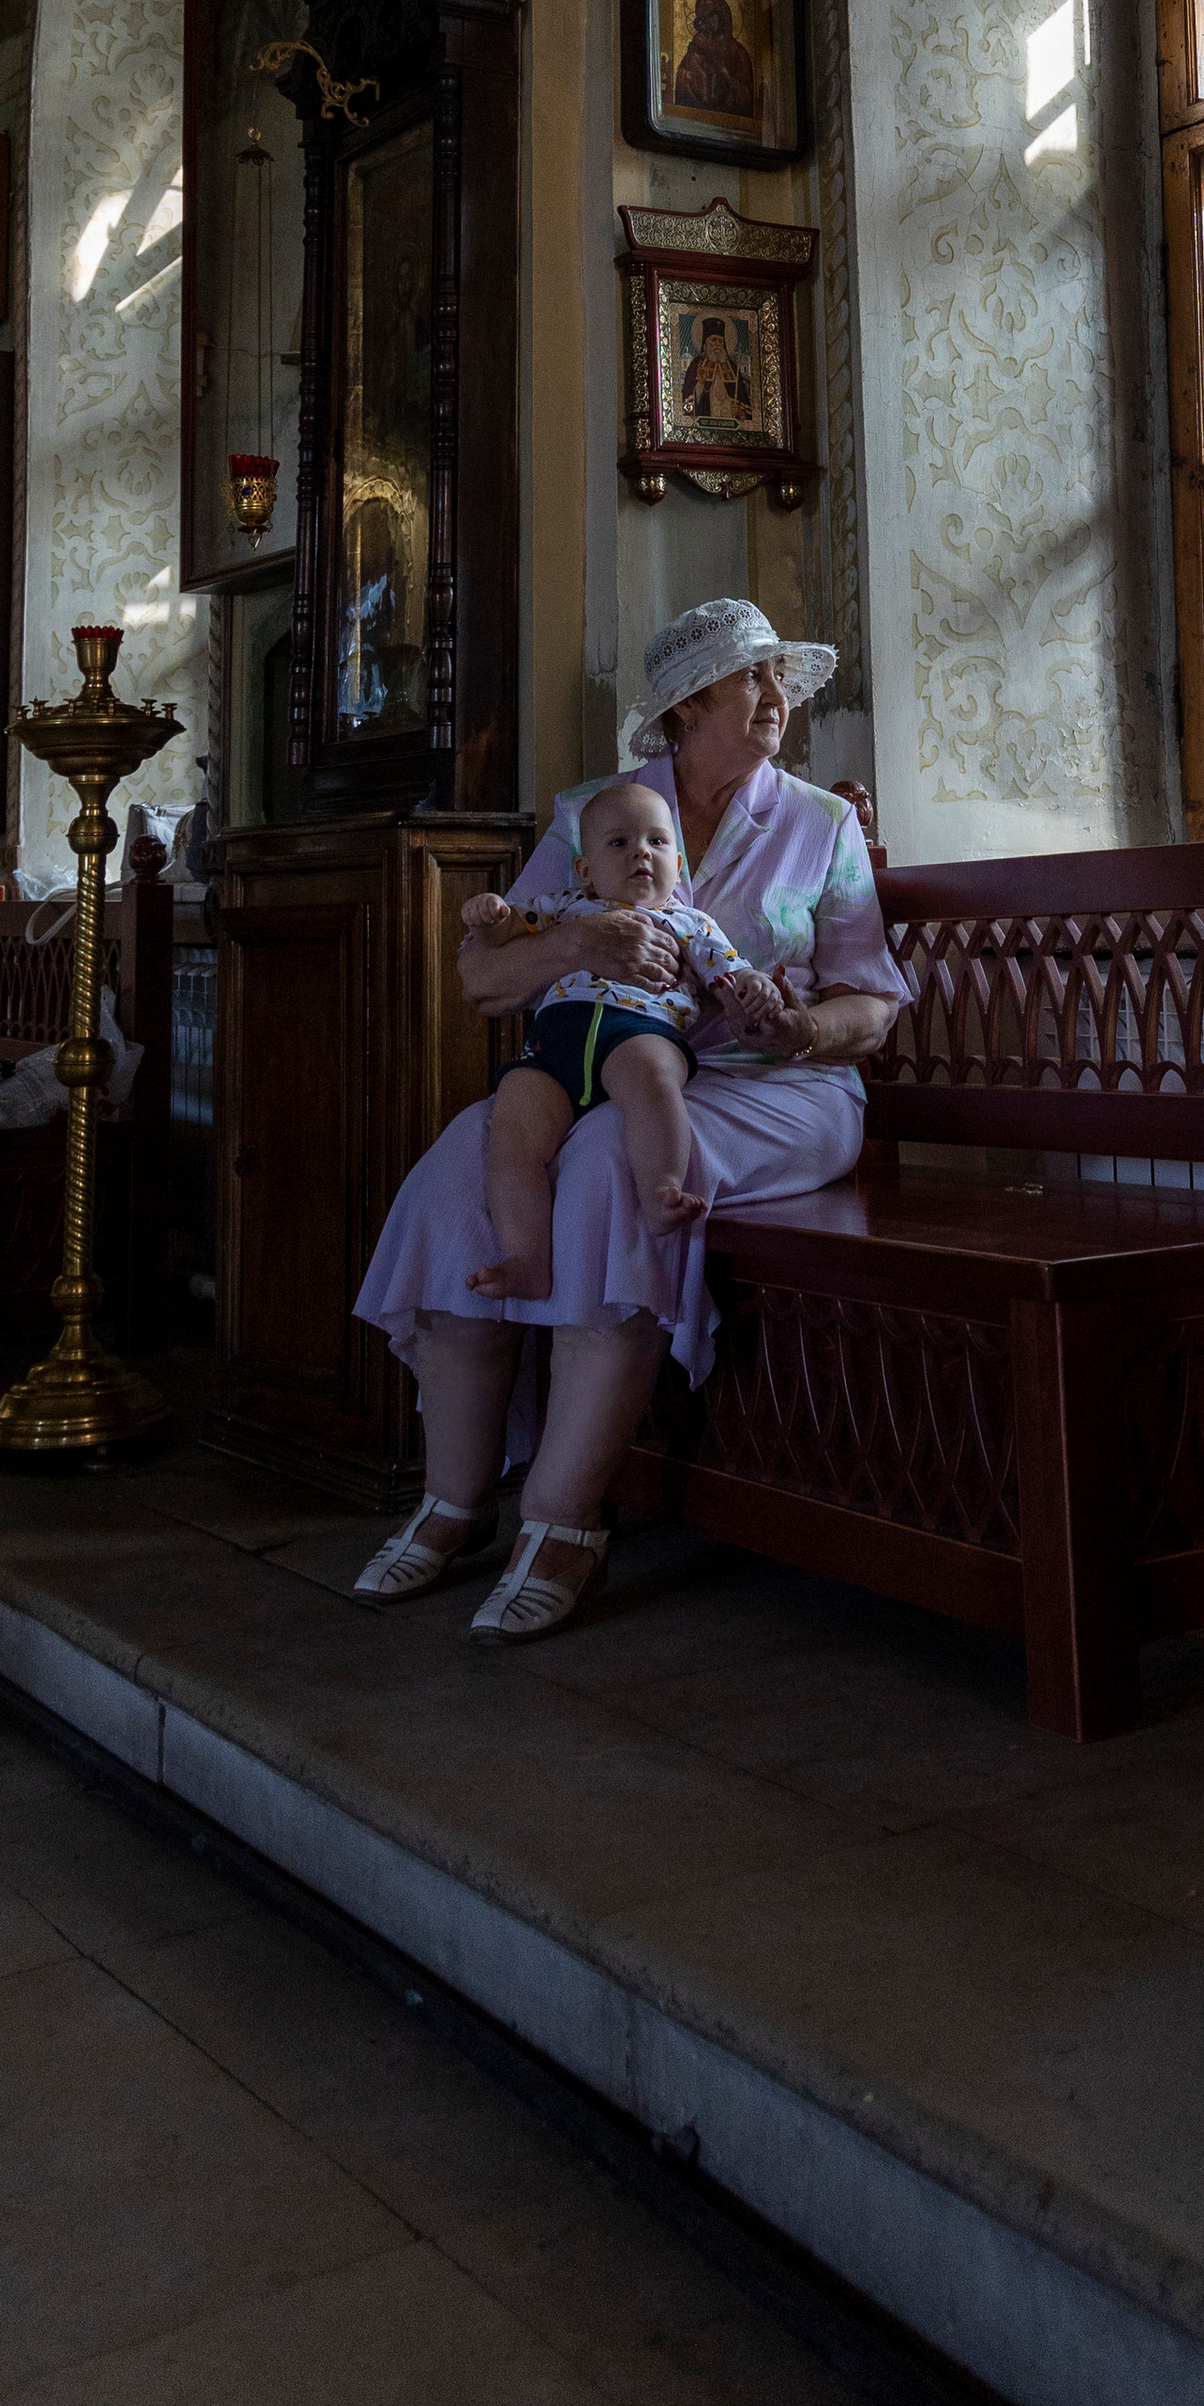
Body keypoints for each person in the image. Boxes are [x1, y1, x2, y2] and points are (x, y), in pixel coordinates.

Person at [350, 596, 908, 1643]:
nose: (779, 699)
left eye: (780, 678)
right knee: (458, 1169)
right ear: (692, 705)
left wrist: (798, 1027)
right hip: (600, 1068)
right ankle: (454, 1502)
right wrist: (580, 947)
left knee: (607, 1163)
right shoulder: (594, 811)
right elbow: (483, 974)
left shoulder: (820, 824)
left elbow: (871, 1006)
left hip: (778, 1092)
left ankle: (563, 1520)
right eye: (758, 679)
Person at [460, 777, 779, 1303]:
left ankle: (660, 1190)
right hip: (557, 1039)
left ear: (678, 864)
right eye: (619, 843)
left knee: (654, 1083)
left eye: (657, 842)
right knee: (512, 1134)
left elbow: (731, 976)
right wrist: (491, 918)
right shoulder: (567, 907)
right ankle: (527, 1259)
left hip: (641, 1031)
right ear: (585, 870)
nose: (641, 854)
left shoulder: (689, 922)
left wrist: (755, 986)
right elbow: (510, 934)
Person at [670, 0, 756, 119]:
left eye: (711, 15)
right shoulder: (696, 47)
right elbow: (683, 81)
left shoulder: (738, 52)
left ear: (723, 16)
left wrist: (724, 75)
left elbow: (746, 94)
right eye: (702, 18)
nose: (707, 21)